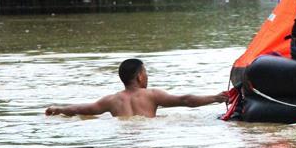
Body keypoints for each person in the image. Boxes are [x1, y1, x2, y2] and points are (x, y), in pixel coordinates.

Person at [45, 59, 226, 119]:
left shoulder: (111, 100)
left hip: (124, 138)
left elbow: (81, 109)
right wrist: (216, 98)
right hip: (146, 135)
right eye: (145, 72)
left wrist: (58, 109)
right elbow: (185, 100)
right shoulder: (151, 95)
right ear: (140, 76)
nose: (147, 76)